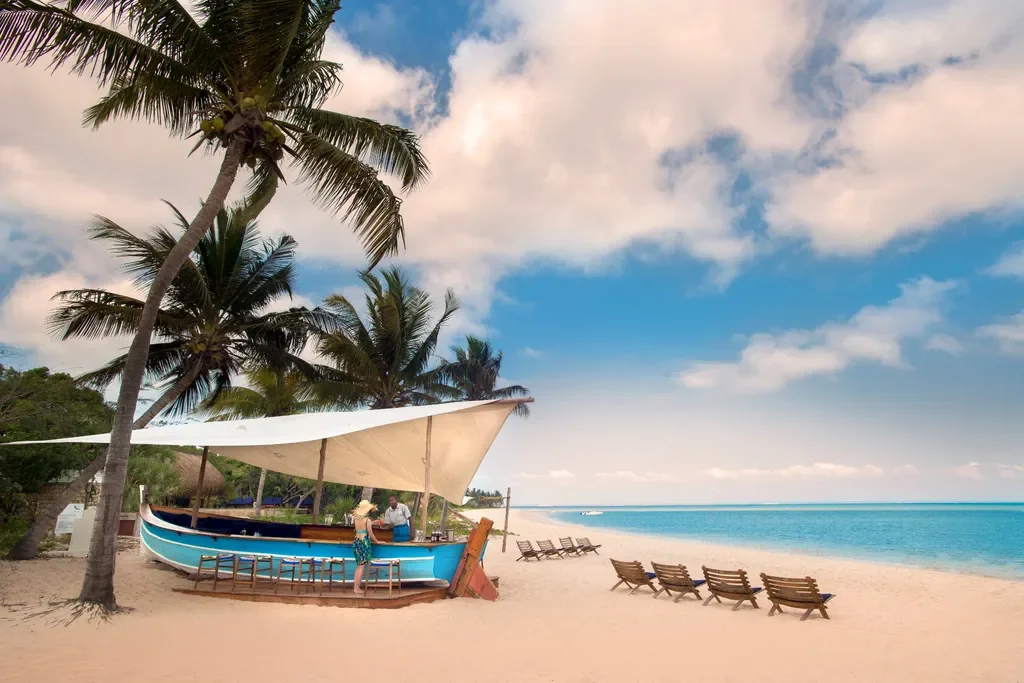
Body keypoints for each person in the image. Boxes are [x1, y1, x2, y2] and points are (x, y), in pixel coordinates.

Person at [351, 500, 379, 595]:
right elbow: (370, 534)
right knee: (361, 567)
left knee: (358, 566)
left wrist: (373, 522)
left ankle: (356, 587)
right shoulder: (367, 520)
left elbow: (361, 527)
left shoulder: (356, 518)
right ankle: (356, 588)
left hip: (356, 541)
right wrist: (377, 541)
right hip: (364, 542)